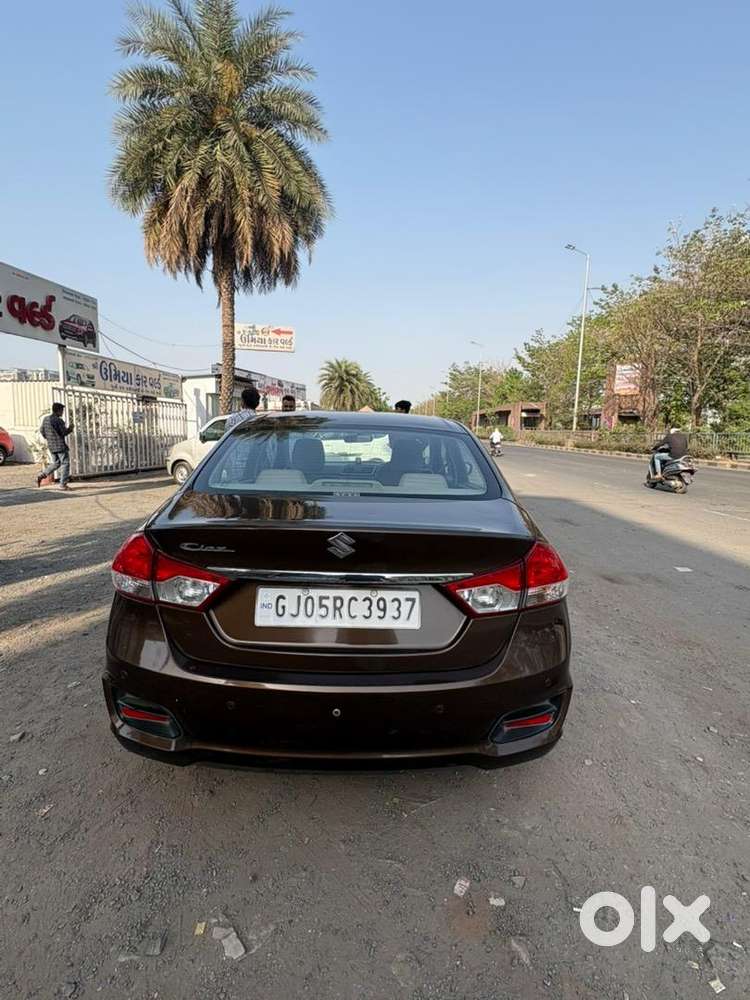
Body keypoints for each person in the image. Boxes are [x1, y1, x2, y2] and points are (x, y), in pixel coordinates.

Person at [37, 402, 74, 490]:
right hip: (60, 446)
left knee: (56, 463)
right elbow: (64, 432)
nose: (62, 413)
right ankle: (63, 484)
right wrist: (70, 428)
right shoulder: (58, 420)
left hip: (51, 446)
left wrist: (49, 438)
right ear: (58, 410)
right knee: (65, 463)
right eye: (62, 411)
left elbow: (42, 430)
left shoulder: (46, 419)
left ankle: (42, 475)